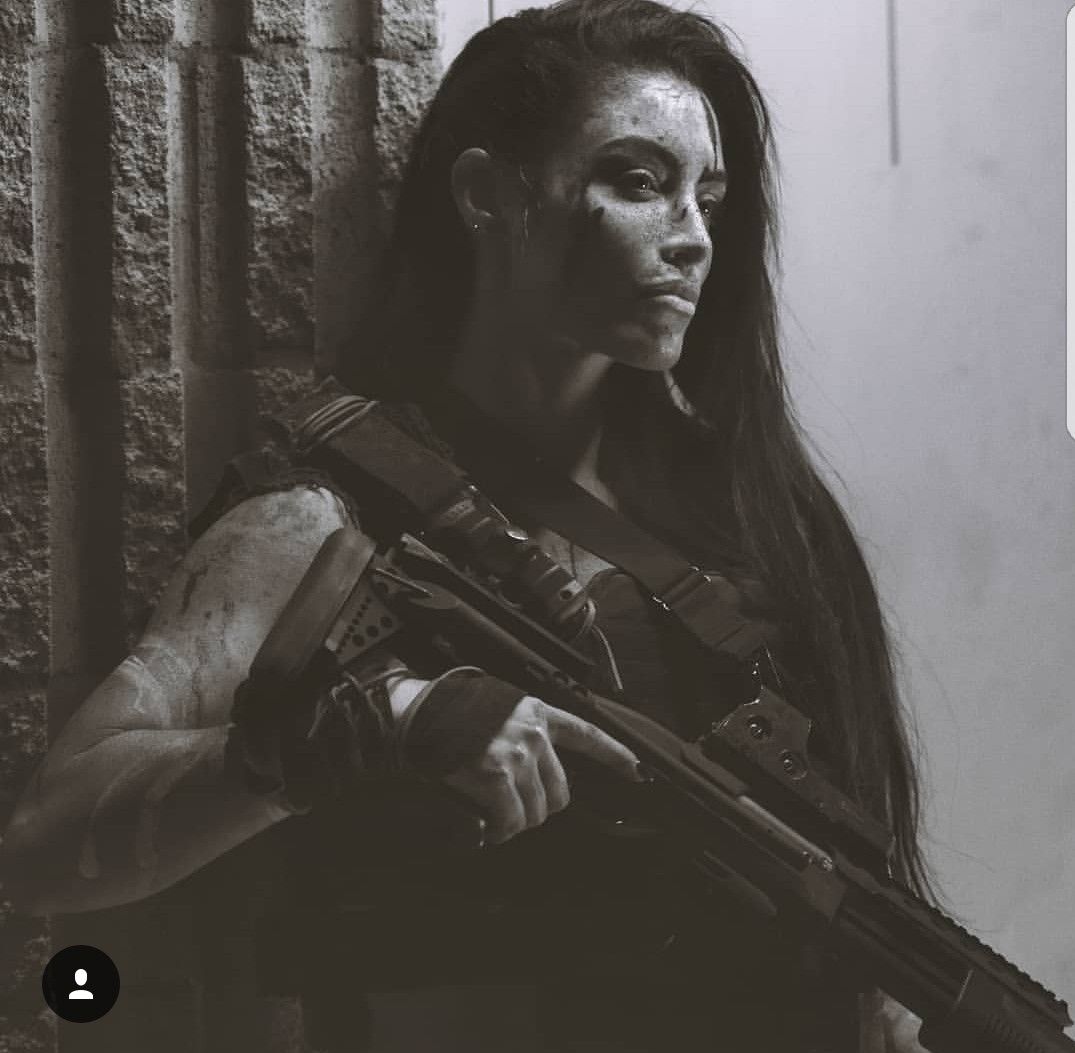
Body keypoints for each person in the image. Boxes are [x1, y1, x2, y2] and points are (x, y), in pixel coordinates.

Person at [1, 1, 931, 1049]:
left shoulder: (756, 515)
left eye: (707, 198)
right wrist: (370, 728)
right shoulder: (326, 513)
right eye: (637, 182)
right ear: (489, 194)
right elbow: (42, 845)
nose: (692, 238)